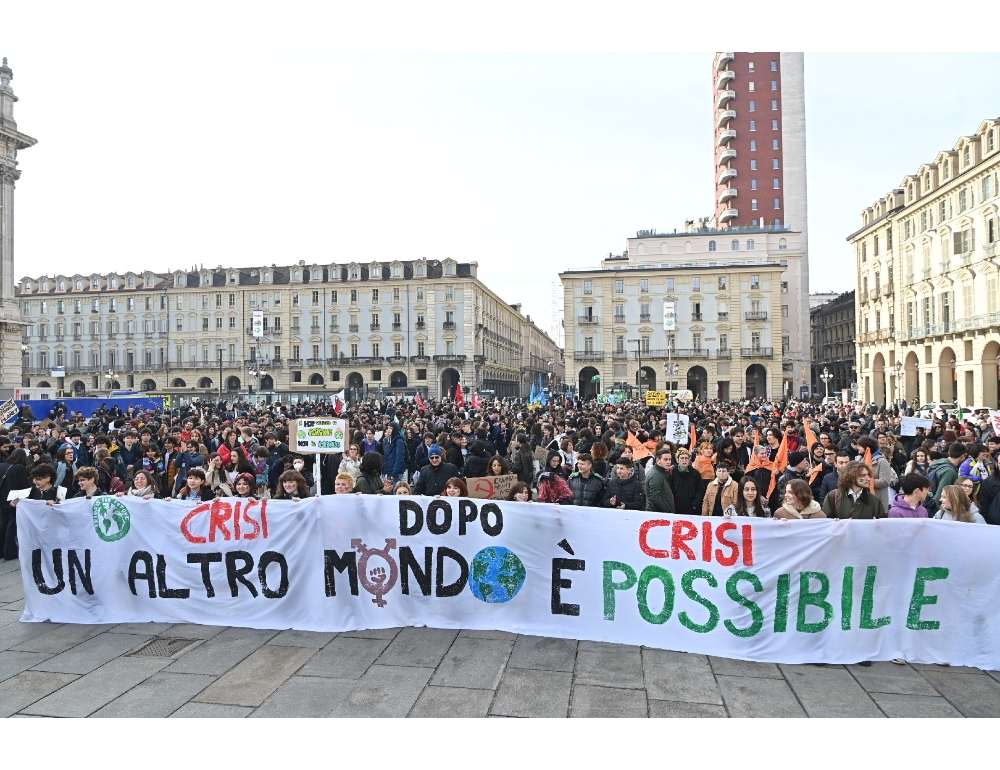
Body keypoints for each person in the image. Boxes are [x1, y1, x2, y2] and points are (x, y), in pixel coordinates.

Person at [821, 461, 886, 519]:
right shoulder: (833, 497)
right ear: (851, 477)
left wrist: (877, 525)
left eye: (868, 475)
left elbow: (883, 526)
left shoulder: (875, 501)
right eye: (863, 475)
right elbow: (825, 523)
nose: (868, 478)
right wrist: (835, 523)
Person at [0, 448, 31, 560]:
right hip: (14, 499)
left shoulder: (2, 465)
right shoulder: (20, 468)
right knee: (12, 525)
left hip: (2, 498)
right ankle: (9, 551)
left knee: (3, 523)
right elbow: (24, 486)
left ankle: (1, 550)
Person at [856, 436, 897, 510]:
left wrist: (864, 482)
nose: (857, 448)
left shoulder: (882, 461)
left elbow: (885, 481)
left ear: (867, 447)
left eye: (860, 446)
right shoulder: (860, 460)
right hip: (862, 500)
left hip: (878, 501)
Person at [671, 448, 704, 517]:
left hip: (691, 510)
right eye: (682, 458)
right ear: (677, 459)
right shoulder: (672, 472)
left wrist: (694, 504)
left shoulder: (695, 473)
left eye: (686, 458)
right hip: (676, 509)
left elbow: (700, 490)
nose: (684, 460)